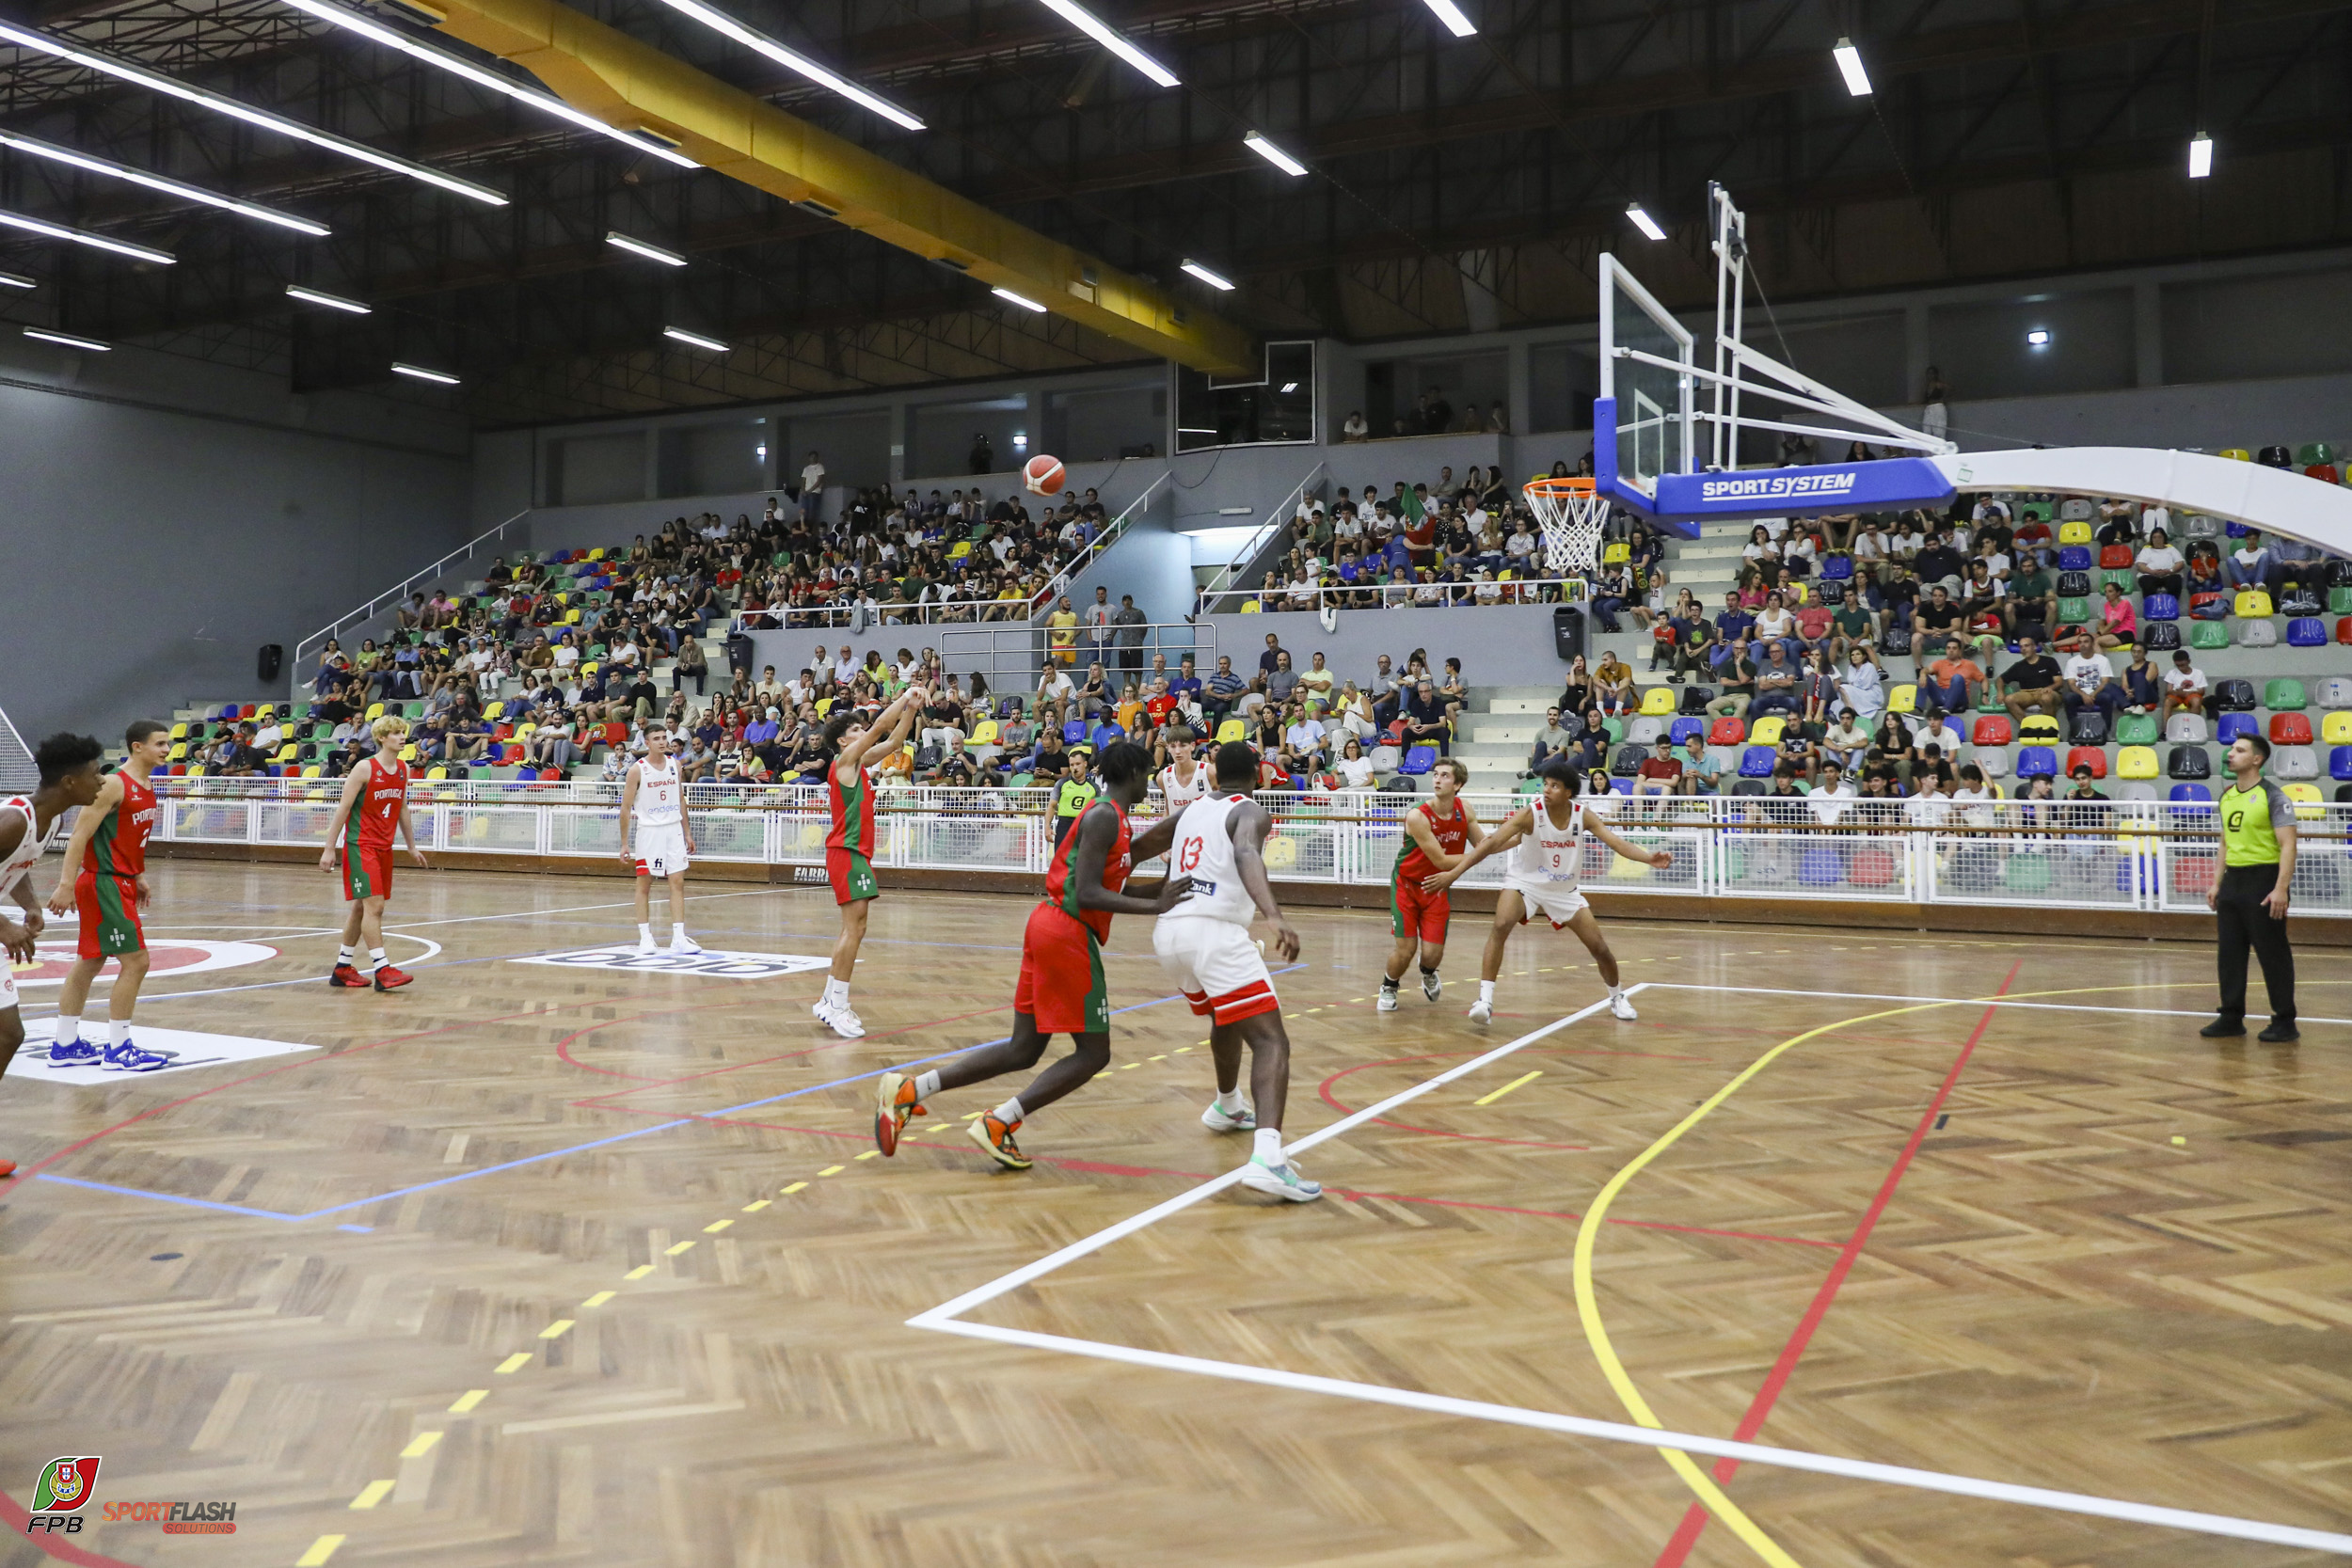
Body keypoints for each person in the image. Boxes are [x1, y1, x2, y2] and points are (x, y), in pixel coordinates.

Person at [871, 742, 1197, 1168]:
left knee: (1023, 1049)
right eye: (1146, 775)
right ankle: (1000, 1122)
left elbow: (1107, 887)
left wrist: (1159, 890)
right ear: (1134, 772)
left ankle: (911, 1090)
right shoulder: (1103, 817)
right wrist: (1155, 906)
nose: (1149, 784)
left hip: (1050, 926)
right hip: (1066, 932)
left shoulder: (1115, 820)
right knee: (1095, 1053)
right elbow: (1087, 892)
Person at [1153, 741, 1319, 1201]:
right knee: (1270, 1041)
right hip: (1214, 932)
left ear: (1211, 775)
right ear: (1258, 775)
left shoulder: (1191, 810)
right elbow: (1247, 853)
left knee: (1225, 1016)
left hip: (1170, 932)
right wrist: (1274, 915)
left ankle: (1228, 1105)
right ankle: (1269, 1158)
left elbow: (1142, 843)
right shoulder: (1250, 810)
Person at [1423, 761, 1671, 1024]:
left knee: (1600, 948)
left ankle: (1617, 997)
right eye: (1545, 784)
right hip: (1525, 883)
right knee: (1501, 924)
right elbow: (1492, 842)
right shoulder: (1531, 813)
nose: (1547, 789)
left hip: (1563, 890)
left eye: (1554, 785)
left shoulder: (1582, 815)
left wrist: (1647, 858)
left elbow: (1617, 843)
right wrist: (1454, 874)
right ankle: (1484, 1001)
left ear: (1568, 792)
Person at [0, 734, 107, 1166]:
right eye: (94, 773)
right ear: (68, 781)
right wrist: (3, 924)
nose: (101, 781)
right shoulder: (12, 818)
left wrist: (29, 906)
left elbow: (12, 865)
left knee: (10, 1034)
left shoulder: (53, 823)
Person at [44, 721, 171, 1069]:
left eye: (168, 744)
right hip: (104, 883)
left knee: (90, 961)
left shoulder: (147, 785)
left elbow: (127, 838)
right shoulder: (114, 783)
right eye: (159, 743)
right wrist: (66, 884)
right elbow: (79, 835)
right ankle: (118, 1049)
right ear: (136, 747)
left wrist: (139, 874)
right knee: (137, 961)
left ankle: (65, 1044)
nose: (166, 749)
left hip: (121, 880)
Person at [814, 685, 925, 1038]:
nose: (863, 733)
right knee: (855, 929)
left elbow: (893, 743)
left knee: (852, 929)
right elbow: (879, 729)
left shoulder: (859, 762)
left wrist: (911, 710)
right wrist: (904, 697)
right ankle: (838, 1005)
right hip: (846, 852)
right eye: (855, 731)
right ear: (844, 742)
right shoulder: (844, 761)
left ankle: (830, 998)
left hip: (853, 853)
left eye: (862, 729)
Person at [318, 714, 428, 990]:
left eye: (403, 733)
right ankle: (382, 969)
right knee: (375, 907)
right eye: (396, 733)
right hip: (360, 846)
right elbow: (343, 809)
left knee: (361, 907)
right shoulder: (365, 769)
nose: (402, 737)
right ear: (381, 737)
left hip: (384, 848)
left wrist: (412, 846)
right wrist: (329, 848)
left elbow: (402, 808)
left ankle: (343, 968)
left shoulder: (402, 769)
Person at [2204, 735, 2297, 1042]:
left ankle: (2284, 1020)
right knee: (2229, 953)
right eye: (2232, 749)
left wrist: (2280, 888)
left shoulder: (2273, 796)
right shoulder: (2228, 796)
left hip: (2263, 881)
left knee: (2272, 953)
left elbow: (2288, 845)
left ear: (2257, 759)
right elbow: (2224, 842)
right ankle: (2231, 1016)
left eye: (2239, 750)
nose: (2231, 755)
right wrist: (2217, 882)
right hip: (2234, 881)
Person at [1379, 758, 1482, 1013]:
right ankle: (1389, 986)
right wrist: (1483, 852)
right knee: (1406, 950)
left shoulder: (1465, 810)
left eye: (1445, 775)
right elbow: (1442, 860)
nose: (1437, 779)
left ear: (1458, 784)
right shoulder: (1417, 816)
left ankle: (1428, 972)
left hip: (1437, 888)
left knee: (1433, 954)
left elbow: (1485, 843)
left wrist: (1521, 838)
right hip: (1408, 884)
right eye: (1435, 774)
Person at [620, 722, 699, 957]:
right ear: (647, 742)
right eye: (657, 738)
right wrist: (624, 843)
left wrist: (687, 832)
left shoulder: (675, 765)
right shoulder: (637, 770)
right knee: (645, 884)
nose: (662, 742)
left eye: (665, 737)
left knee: (678, 882)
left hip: (673, 829)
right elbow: (625, 808)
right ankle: (645, 937)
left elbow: (681, 799)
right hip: (649, 831)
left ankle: (678, 937)